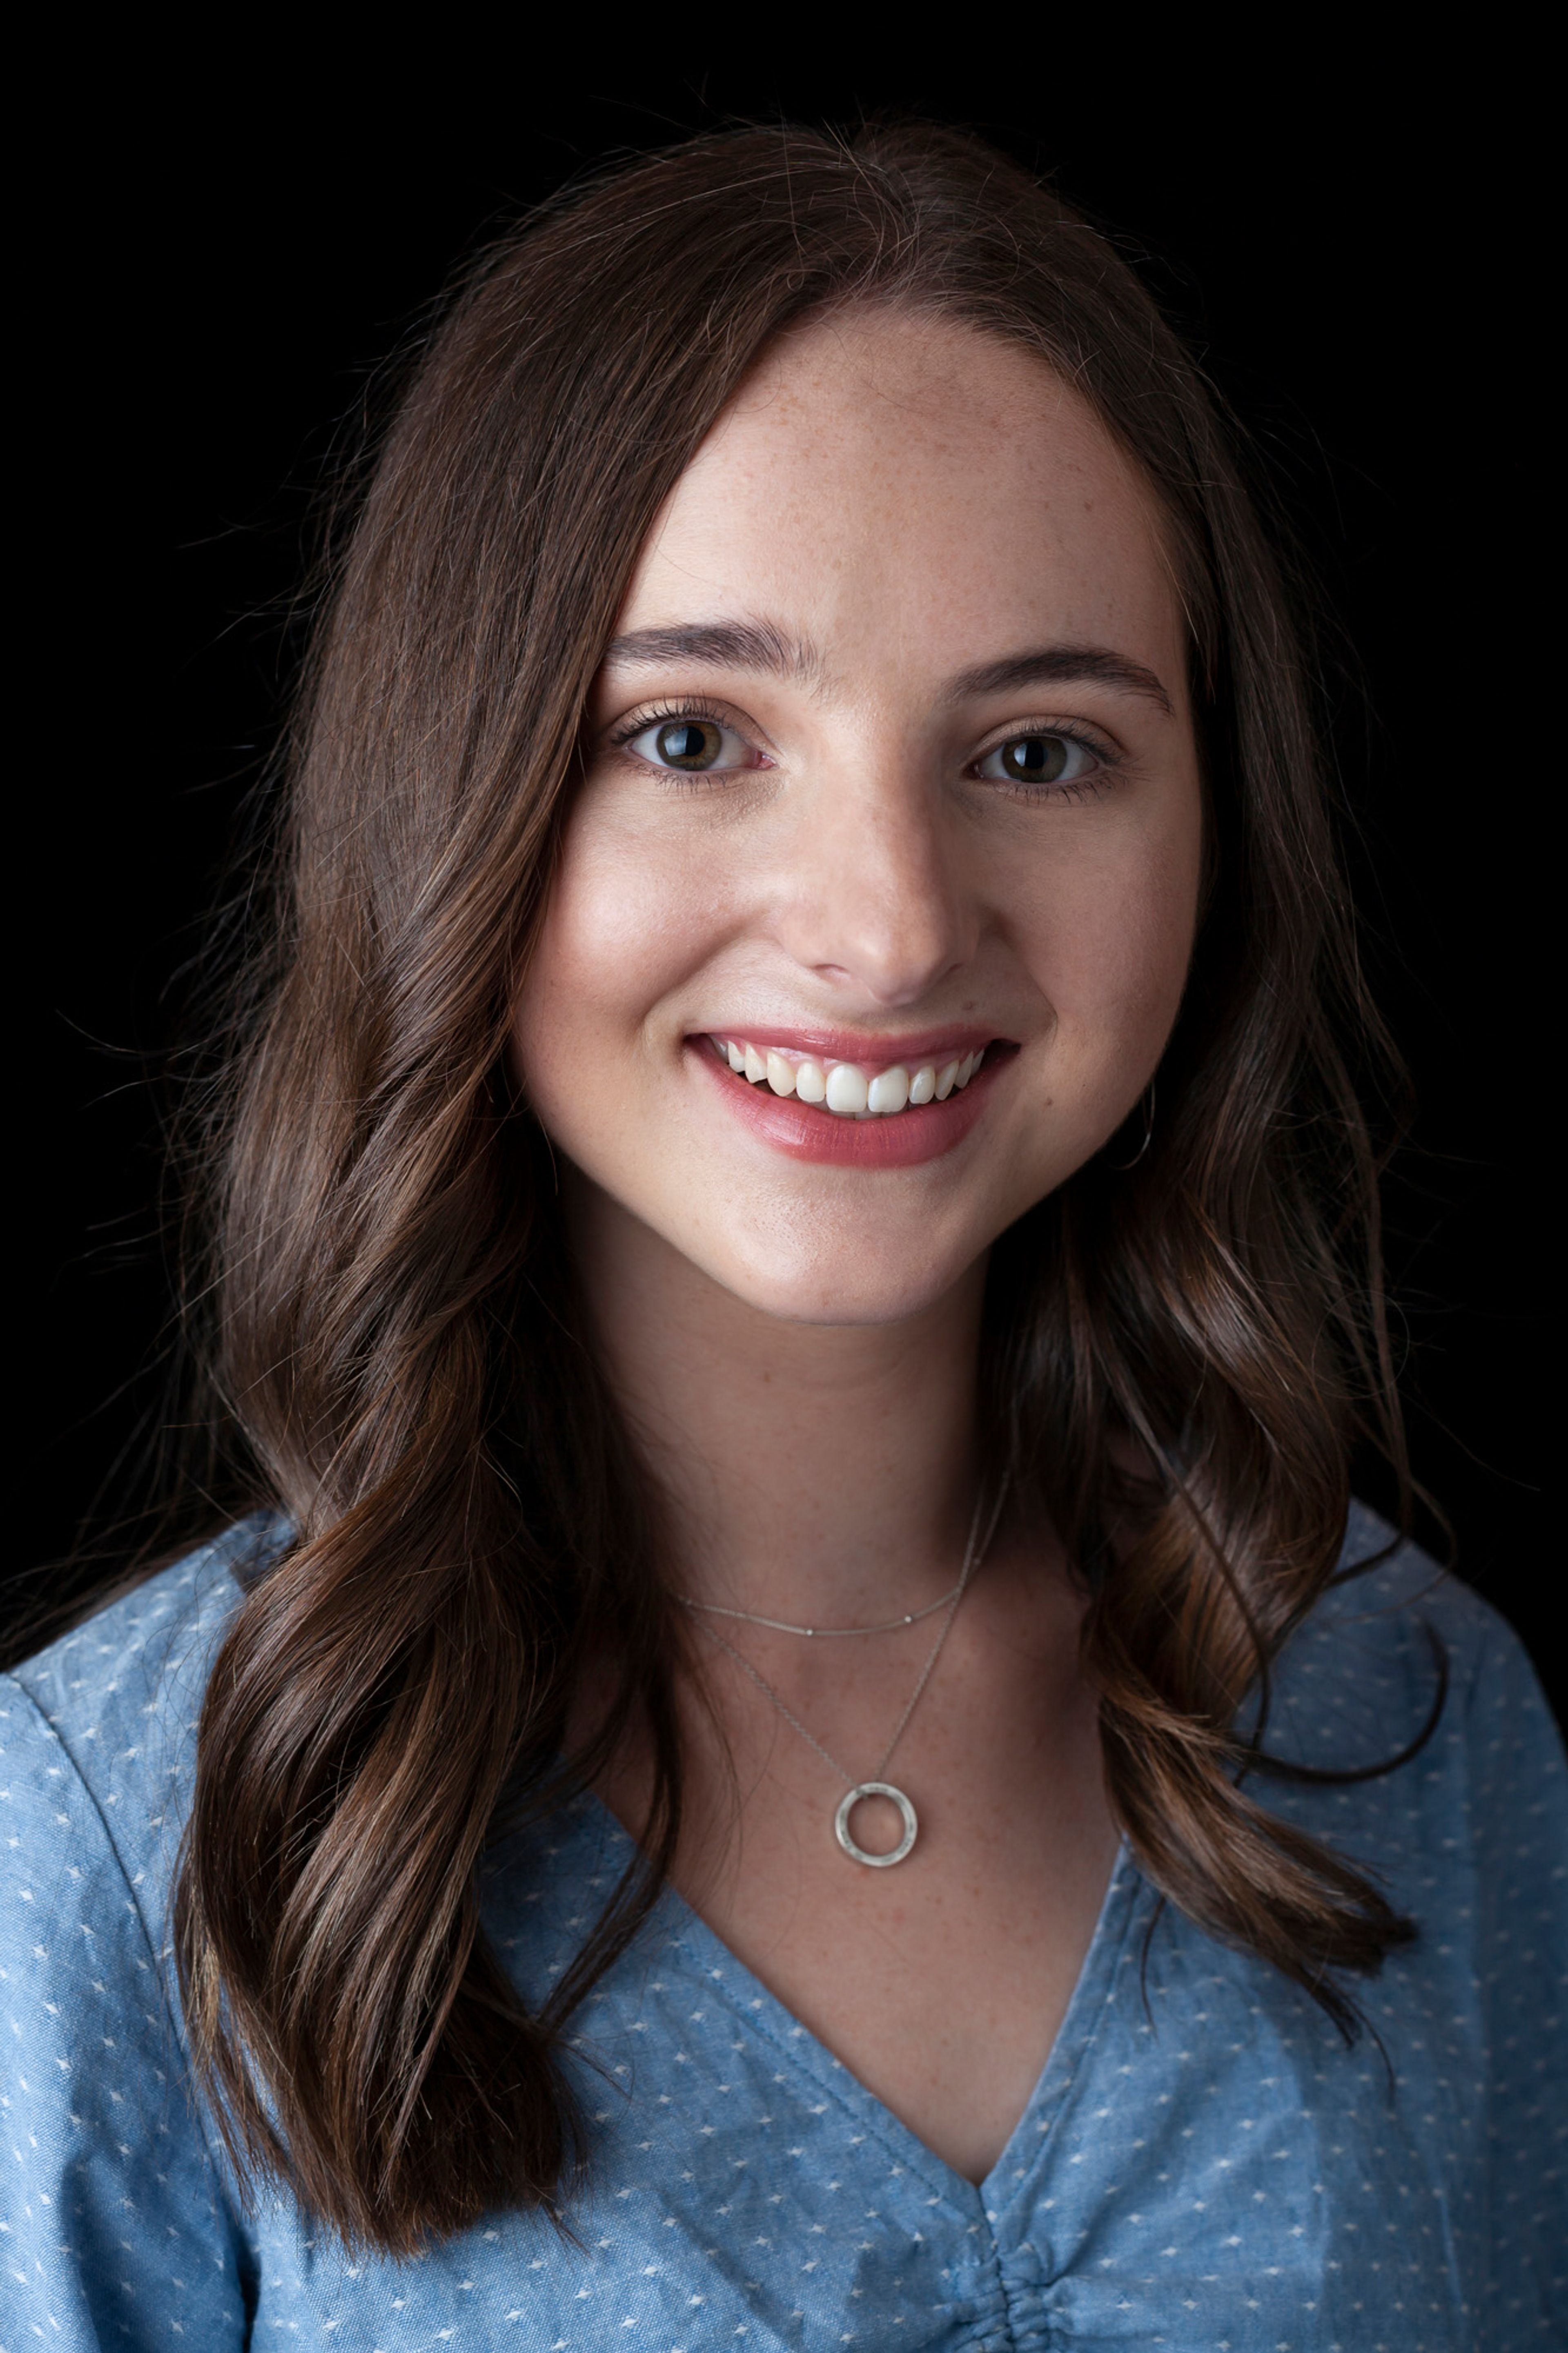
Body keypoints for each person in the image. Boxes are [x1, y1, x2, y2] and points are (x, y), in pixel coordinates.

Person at [2, 122, 1563, 2352]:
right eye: (694, 734)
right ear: (458, 803)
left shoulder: (1412, 1715)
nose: (888, 923)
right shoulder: (107, 1840)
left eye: (1039, 752)